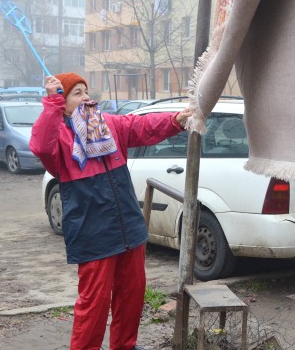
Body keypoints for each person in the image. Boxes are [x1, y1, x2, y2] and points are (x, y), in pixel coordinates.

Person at [30, 73, 191, 350]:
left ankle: (125, 346)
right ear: (63, 102)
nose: (86, 98)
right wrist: (52, 102)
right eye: (77, 93)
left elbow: (141, 126)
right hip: (93, 235)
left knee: (131, 296)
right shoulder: (61, 142)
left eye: (86, 92)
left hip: (129, 227)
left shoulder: (106, 126)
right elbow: (40, 145)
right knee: (94, 305)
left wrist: (176, 119)